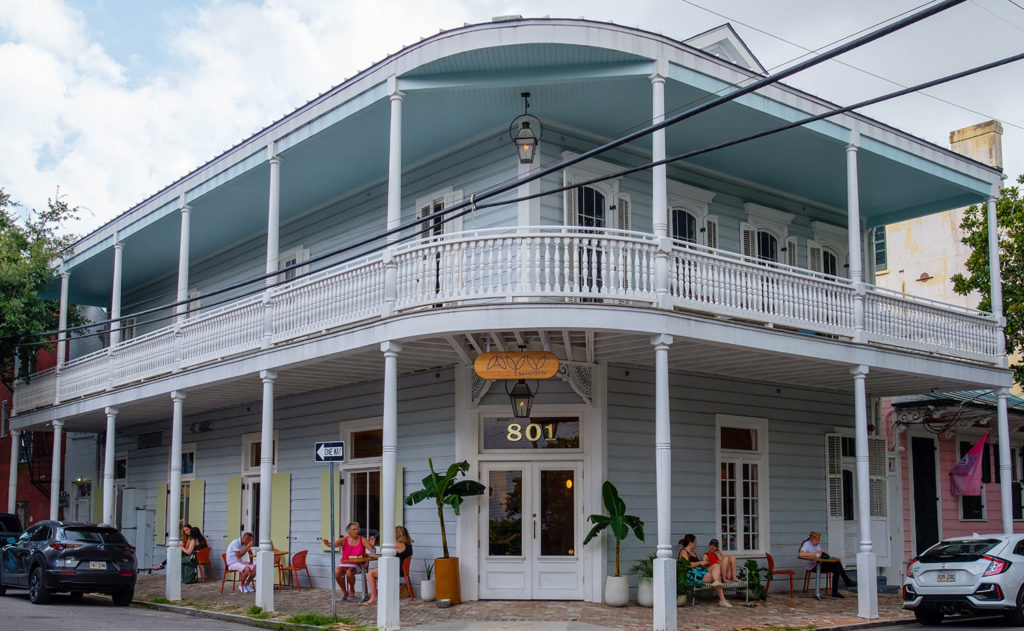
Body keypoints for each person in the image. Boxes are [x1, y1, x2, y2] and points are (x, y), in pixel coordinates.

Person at [322, 522, 376, 601]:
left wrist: (372, 546)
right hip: (345, 563)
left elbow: (372, 551)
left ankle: (352, 590)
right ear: (349, 531)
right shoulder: (344, 539)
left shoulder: (362, 539)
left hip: (357, 564)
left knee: (349, 573)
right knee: (337, 572)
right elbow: (332, 545)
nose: (356, 531)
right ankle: (344, 592)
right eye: (354, 529)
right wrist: (327, 544)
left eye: (357, 529)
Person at [677, 533, 732, 608]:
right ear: (691, 543)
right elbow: (687, 565)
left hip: (698, 572)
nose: (696, 544)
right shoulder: (684, 551)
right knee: (716, 575)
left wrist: (704, 563)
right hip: (690, 574)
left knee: (716, 566)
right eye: (695, 542)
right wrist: (700, 562)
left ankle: (716, 583)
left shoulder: (693, 553)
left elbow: (698, 565)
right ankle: (722, 600)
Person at [363, 526, 413, 605]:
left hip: (395, 569)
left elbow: (385, 554)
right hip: (401, 569)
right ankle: (377, 594)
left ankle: (373, 597)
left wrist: (373, 548)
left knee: (370, 573)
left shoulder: (397, 545)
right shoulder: (408, 545)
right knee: (375, 572)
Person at [798, 530, 855, 598]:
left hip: (819, 563)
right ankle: (845, 582)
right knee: (836, 566)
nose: (818, 542)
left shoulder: (817, 544)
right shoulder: (806, 544)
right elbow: (801, 554)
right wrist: (815, 553)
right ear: (811, 539)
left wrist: (821, 553)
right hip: (812, 566)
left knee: (836, 564)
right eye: (816, 540)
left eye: (819, 540)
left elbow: (818, 555)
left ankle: (836, 590)